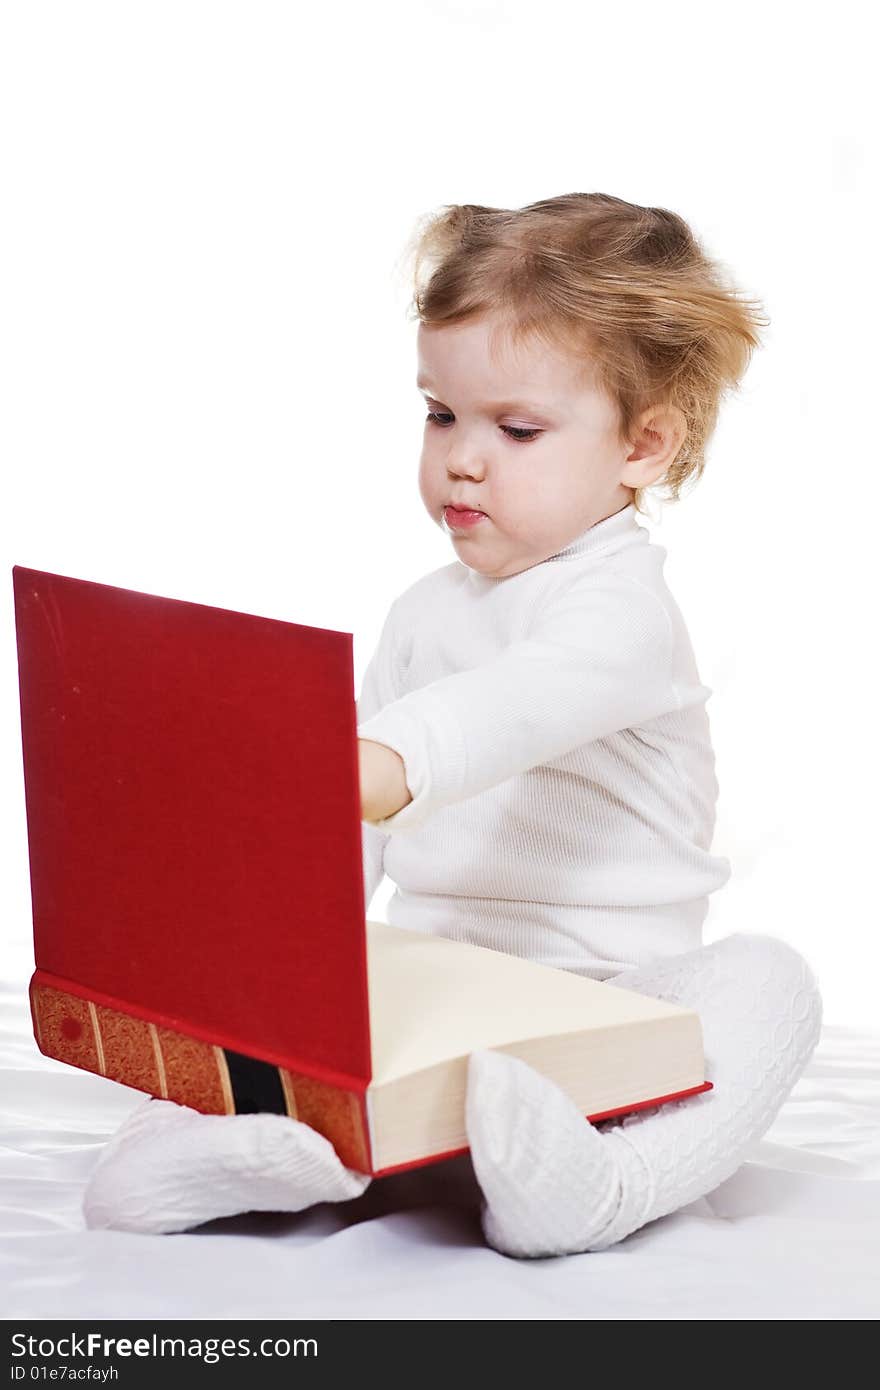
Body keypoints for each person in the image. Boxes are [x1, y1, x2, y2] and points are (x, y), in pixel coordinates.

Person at [83, 192, 822, 1256]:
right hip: (434, 989)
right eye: (440, 415)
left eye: (516, 429)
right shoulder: (423, 613)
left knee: (769, 983)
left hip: (602, 1006)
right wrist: (282, 935)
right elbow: (356, 823)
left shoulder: (620, 608)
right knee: (251, 983)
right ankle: (196, 1153)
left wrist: (370, 763)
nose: (463, 458)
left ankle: (605, 1180)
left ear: (643, 446)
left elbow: (505, 710)